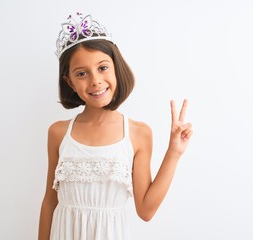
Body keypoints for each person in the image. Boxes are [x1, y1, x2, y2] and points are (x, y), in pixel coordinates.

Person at [38, 11, 193, 240]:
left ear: (116, 67)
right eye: (82, 73)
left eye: (102, 68)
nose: (95, 81)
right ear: (70, 82)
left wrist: (174, 152)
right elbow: (50, 202)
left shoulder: (138, 133)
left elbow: (146, 210)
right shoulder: (58, 132)